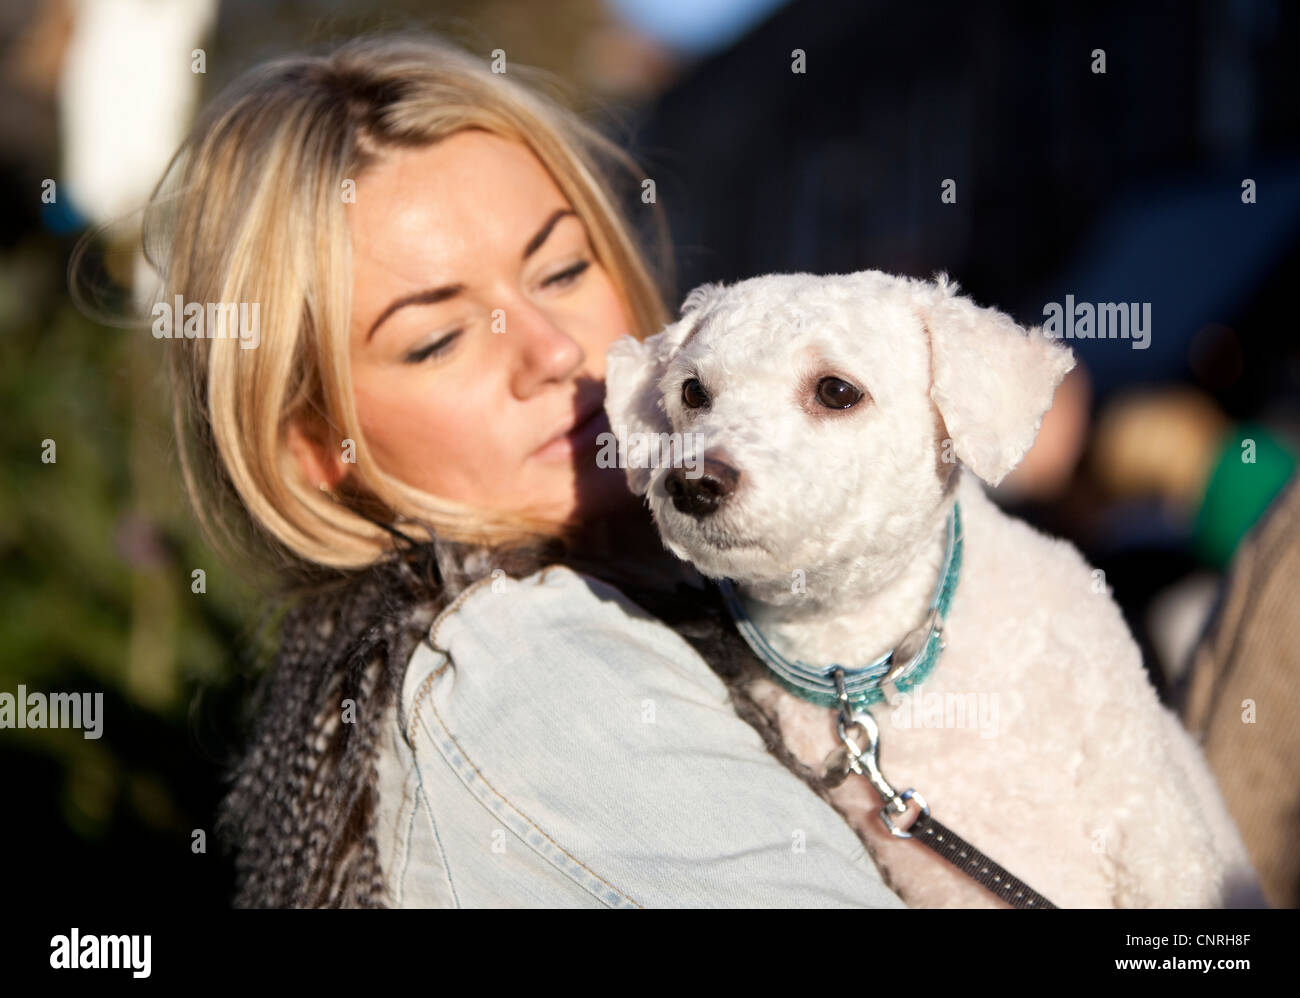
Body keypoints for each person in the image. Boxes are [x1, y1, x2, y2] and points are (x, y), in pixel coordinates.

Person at [145, 32, 906, 908]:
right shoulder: (527, 670)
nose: (549, 349)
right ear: (311, 449)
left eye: (563, 267)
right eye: (436, 339)